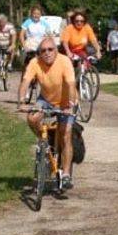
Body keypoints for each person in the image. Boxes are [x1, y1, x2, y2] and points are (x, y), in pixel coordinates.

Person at [17, 35, 79, 189]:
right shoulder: (34, 63)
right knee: (32, 118)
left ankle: (65, 174)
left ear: (56, 50)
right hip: (46, 100)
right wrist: (21, 101)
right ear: (39, 53)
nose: (47, 53)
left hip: (66, 102)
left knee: (65, 134)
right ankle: (45, 143)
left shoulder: (64, 61)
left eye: (50, 49)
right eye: (43, 50)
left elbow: (71, 84)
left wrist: (70, 106)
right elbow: (25, 82)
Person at [20, 3, 52, 69]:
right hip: (30, 44)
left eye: (38, 14)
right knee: (27, 66)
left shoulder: (44, 23)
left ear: (40, 15)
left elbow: (50, 35)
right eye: (34, 13)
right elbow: (21, 35)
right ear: (32, 14)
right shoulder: (27, 22)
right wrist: (24, 46)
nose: (36, 15)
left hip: (41, 45)